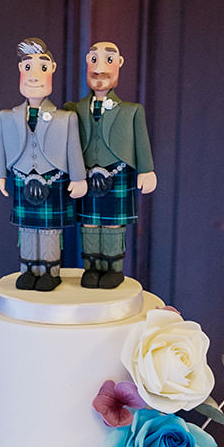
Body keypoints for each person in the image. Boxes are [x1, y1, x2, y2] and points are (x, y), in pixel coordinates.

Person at [0, 38, 87, 291]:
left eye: (42, 68)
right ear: (20, 71)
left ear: (52, 70)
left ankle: (49, 271)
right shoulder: (7, 117)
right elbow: (0, 147)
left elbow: (73, 150)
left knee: (49, 231)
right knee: (26, 229)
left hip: (54, 180)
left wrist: (79, 178)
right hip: (22, 180)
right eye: (27, 68)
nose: (34, 76)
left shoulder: (66, 118)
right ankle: (28, 269)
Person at [67, 39, 157, 288]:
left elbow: (142, 142)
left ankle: (113, 268)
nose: (100, 69)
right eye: (94, 59)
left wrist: (146, 170)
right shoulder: (73, 109)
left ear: (119, 64)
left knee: (113, 225)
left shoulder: (132, 111)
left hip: (118, 176)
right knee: (89, 223)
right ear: (87, 63)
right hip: (86, 177)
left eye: (108, 60)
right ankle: (91, 267)